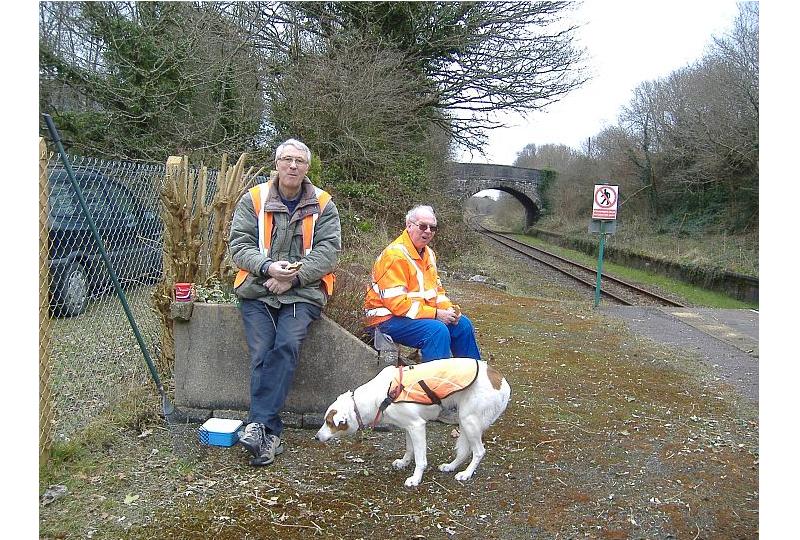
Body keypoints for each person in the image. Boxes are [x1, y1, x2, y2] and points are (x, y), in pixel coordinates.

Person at [229, 138, 341, 466]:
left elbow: (328, 252)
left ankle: (258, 425)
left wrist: (293, 276)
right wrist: (267, 268)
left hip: (303, 292)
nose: (293, 166)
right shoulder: (253, 198)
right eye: (287, 159)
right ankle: (270, 434)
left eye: (300, 161)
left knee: (287, 344)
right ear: (276, 164)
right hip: (258, 289)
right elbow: (239, 243)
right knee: (262, 351)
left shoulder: (324, 204)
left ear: (307, 168)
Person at [364, 205, 481, 362]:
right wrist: (435, 314)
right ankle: (435, 383)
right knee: (436, 331)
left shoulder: (429, 254)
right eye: (423, 226)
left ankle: (472, 378)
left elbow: (436, 291)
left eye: (432, 228)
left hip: (410, 315)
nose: (428, 231)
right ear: (409, 226)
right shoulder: (395, 255)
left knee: (463, 325)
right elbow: (397, 304)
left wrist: (449, 310)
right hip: (384, 319)